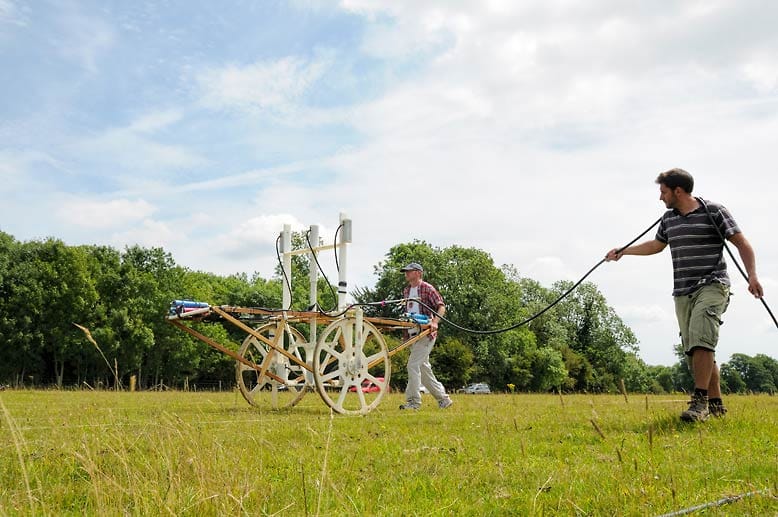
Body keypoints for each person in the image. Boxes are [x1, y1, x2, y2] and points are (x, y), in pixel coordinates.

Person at [606, 168, 763, 422]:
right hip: (682, 290)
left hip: (713, 284)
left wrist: (752, 276)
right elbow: (656, 245)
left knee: (702, 338)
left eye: (663, 191)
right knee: (695, 349)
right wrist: (625, 251)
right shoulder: (668, 219)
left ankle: (699, 403)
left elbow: (742, 243)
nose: (660, 197)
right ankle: (716, 404)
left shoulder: (714, 211)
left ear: (677, 191)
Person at [398, 262, 453, 410]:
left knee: (412, 365)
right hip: (412, 334)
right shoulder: (406, 291)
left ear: (418, 273)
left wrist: (435, 321)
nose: (406, 274)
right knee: (424, 369)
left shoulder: (427, 289)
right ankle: (444, 400)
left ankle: (413, 402)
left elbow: (441, 307)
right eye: (406, 271)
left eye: (409, 271)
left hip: (426, 334)